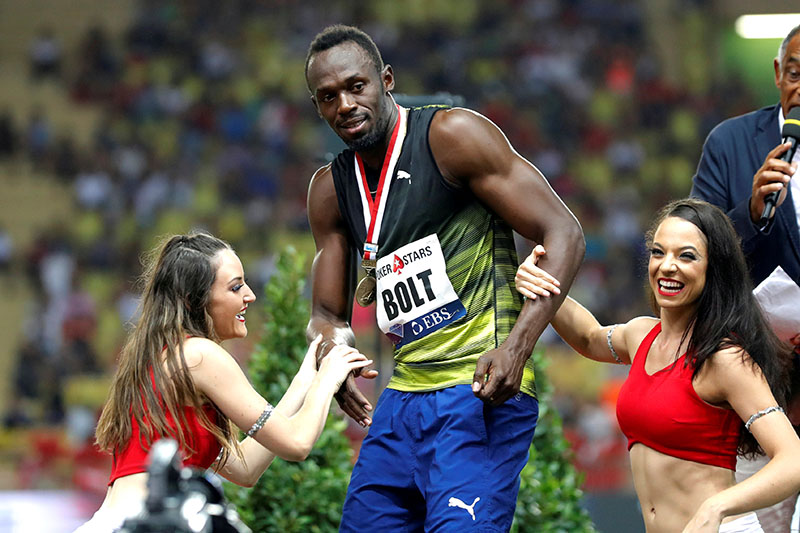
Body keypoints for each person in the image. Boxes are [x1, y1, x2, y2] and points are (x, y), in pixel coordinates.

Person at [304, 24, 585, 531]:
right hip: (402, 398)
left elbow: (563, 231)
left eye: (356, 86)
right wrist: (333, 360)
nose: (344, 104)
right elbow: (327, 314)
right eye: (328, 97)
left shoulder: (452, 137)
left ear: (386, 79)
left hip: (478, 390)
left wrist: (518, 348)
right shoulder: (330, 190)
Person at [515, 198, 800, 532]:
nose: (667, 266)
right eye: (658, 252)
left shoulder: (724, 359)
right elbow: (589, 337)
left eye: (686, 256)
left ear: (714, 269)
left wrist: (718, 506)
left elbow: (792, 460)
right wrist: (542, 281)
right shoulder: (640, 335)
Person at [75, 232, 371, 532]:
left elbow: (244, 469)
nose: (250, 295)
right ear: (194, 300)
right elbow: (297, 443)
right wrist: (329, 379)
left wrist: (306, 380)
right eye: (236, 287)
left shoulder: (164, 356)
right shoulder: (200, 355)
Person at [691, 24, 800, 529]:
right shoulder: (732, 142)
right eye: (797, 72)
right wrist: (753, 212)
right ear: (779, 74)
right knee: (757, 524)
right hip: (755, 381)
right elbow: (696, 245)